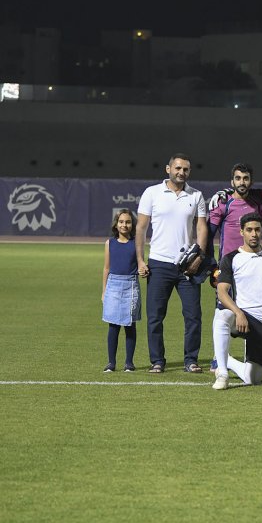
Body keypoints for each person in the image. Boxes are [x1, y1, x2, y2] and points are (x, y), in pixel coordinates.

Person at [135, 152, 209, 374]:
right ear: (168, 169)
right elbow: (140, 228)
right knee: (155, 316)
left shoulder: (196, 195)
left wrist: (199, 257)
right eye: (177, 168)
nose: (181, 172)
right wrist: (140, 260)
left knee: (193, 315)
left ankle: (191, 360)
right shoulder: (152, 193)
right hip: (158, 263)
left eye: (185, 169)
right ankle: (157, 361)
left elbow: (202, 227)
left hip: (187, 266)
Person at [207, 163, 262, 372]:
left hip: (252, 267)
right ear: (232, 182)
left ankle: (251, 357)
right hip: (228, 267)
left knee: (253, 310)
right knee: (222, 311)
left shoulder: (256, 203)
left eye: (246, 178)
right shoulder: (224, 202)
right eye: (238, 178)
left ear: (251, 182)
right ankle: (217, 358)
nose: (242, 182)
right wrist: (212, 264)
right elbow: (209, 234)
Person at [211, 213, 262, 390]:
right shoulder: (230, 259)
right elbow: (222, 293)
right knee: (222, 315)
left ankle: (227, 360)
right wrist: (238, 313)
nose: (254, 234)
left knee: (254, 379)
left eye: (257, 230)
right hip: (240, 316)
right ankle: (222, 372)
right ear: (242, 232)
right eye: (249, 230)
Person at [101, 209, 140, 373]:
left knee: (130, 325)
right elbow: (106, 268)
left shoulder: (137, 243)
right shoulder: (110, 243)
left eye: (128, 222)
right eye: (121, 222)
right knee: (113, 326)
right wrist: (104, 291)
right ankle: (111, 363)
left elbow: (141, 263)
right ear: (116, 224)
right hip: (113, 286)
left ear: (133, 224)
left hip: (130, 285)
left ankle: (129, 363)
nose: (124, 225)